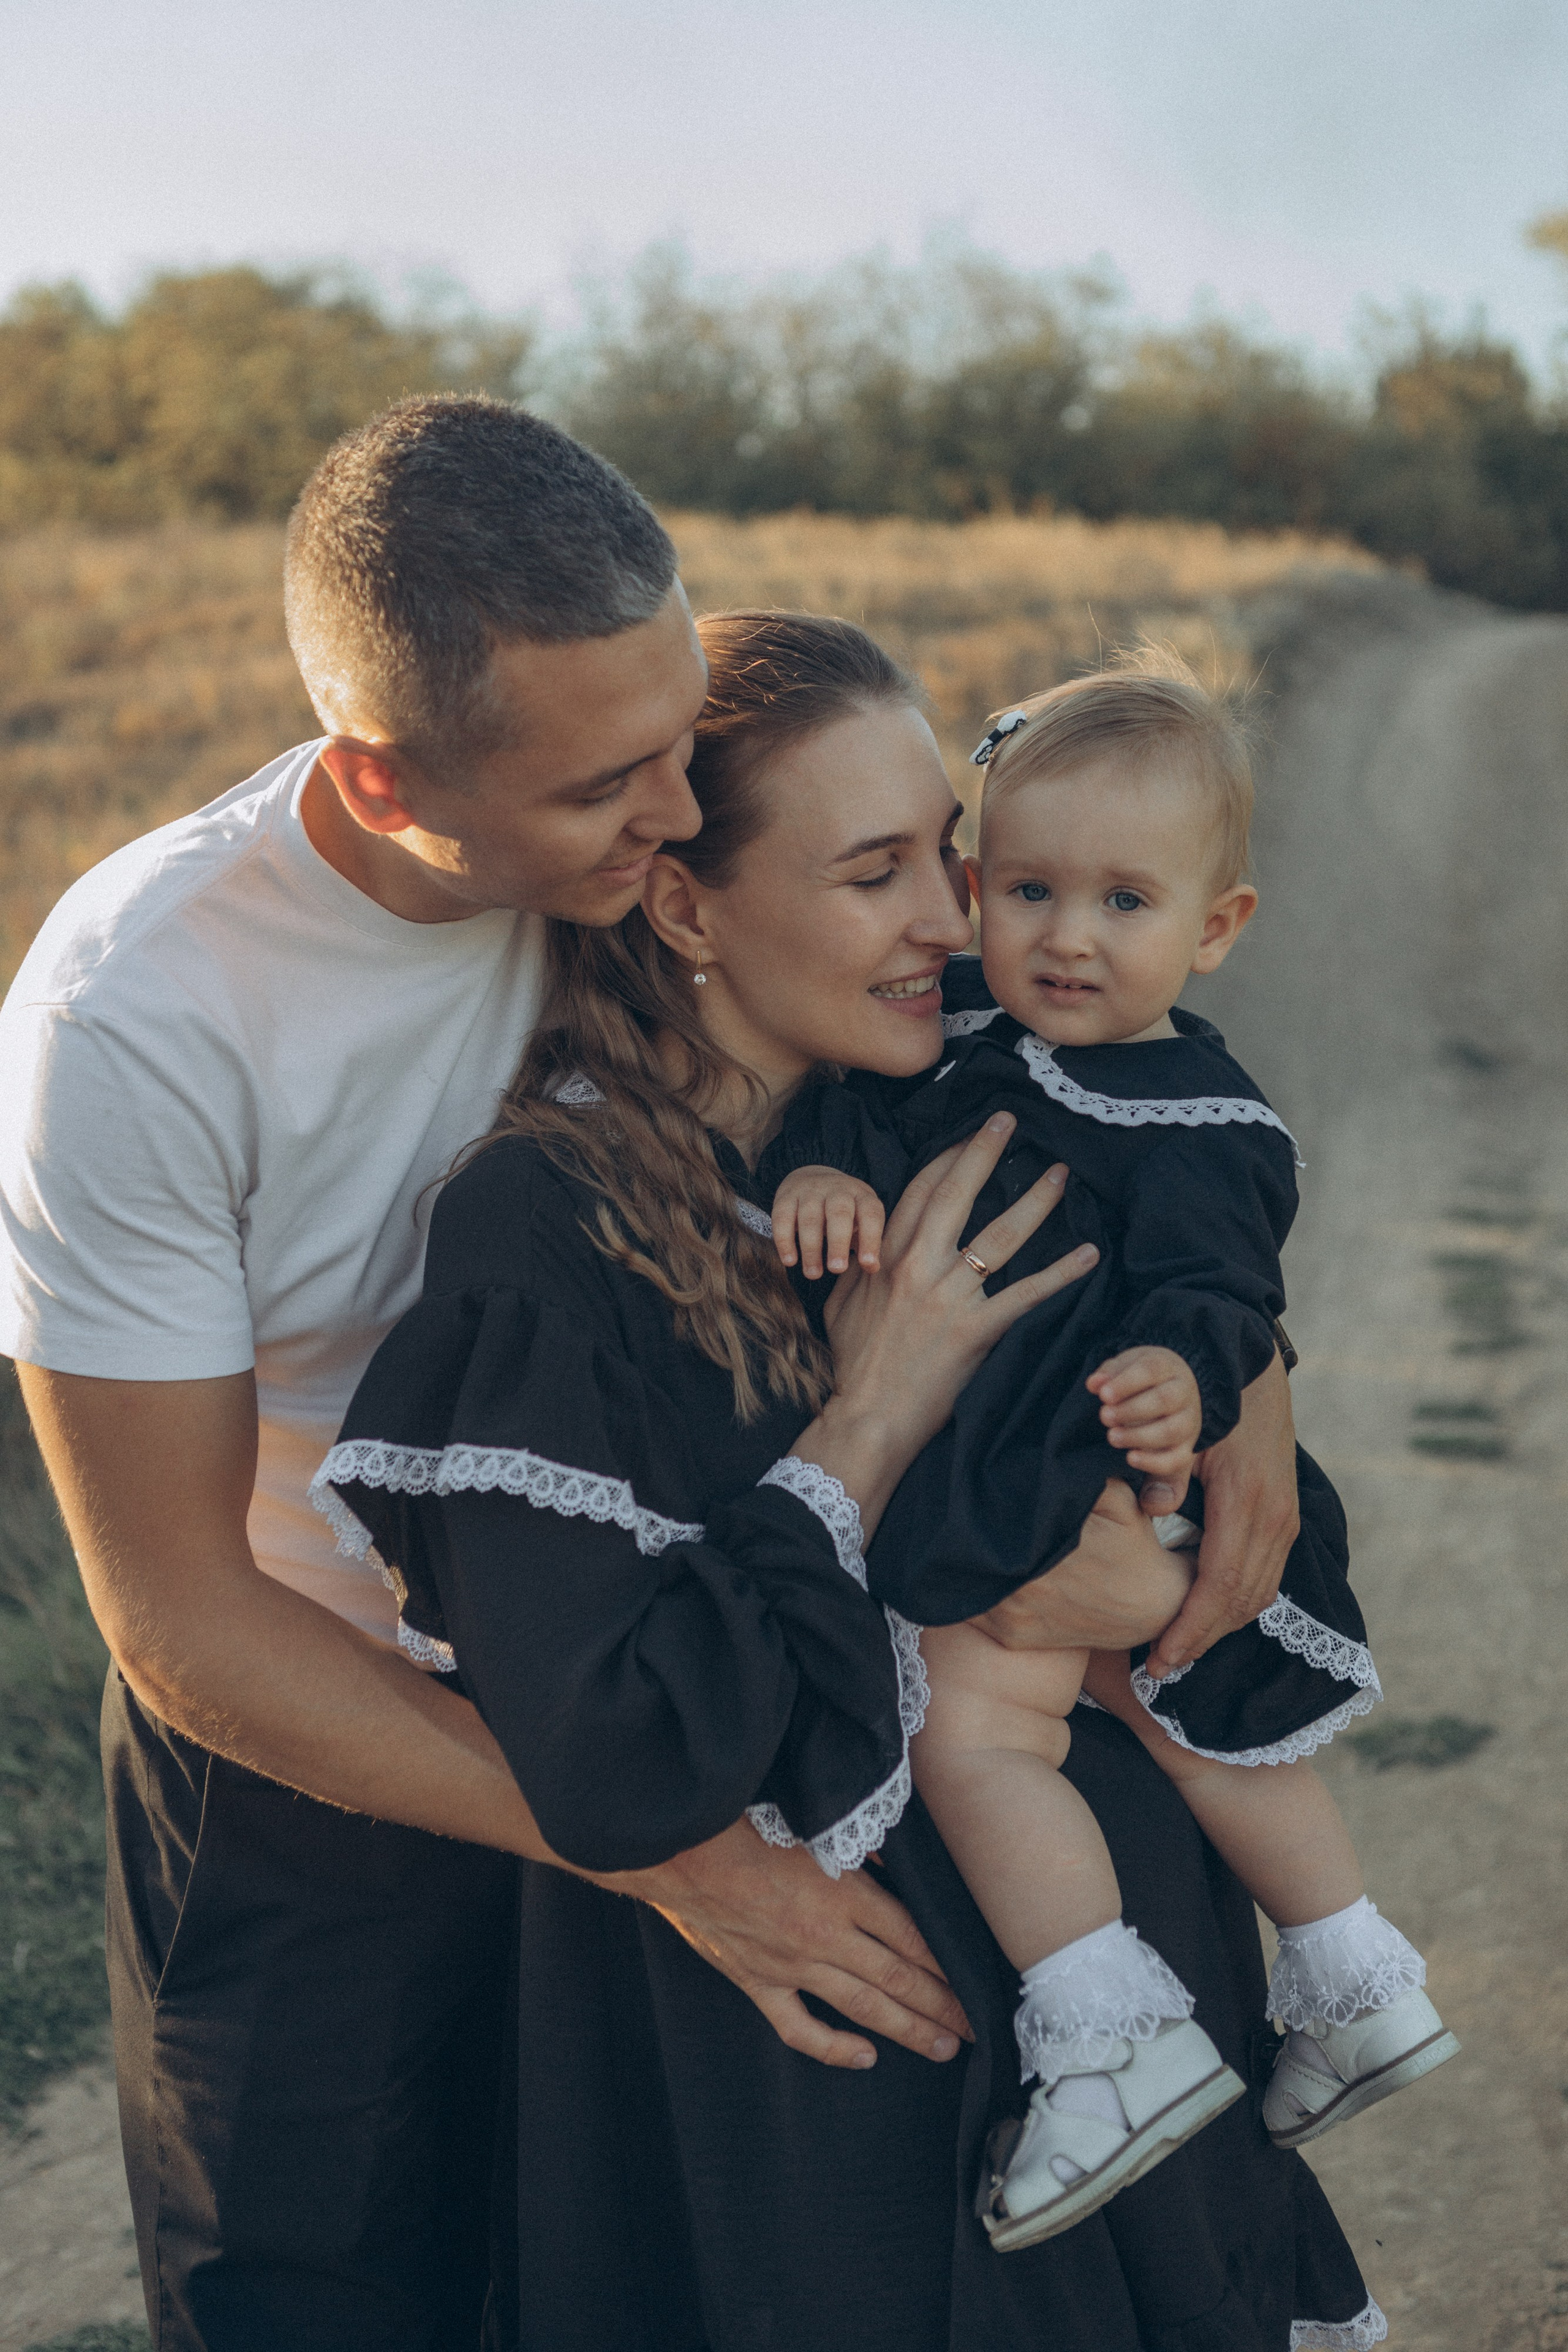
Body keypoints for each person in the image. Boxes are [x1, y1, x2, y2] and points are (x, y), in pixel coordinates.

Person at [0, 400, 990, 2350]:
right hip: (320, 1770)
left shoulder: (631, 864)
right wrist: (670, 1857)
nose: (679, 816)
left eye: (680, 735)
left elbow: (1002, 1002)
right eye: (610, 784)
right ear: (382, 784)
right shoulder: (137, 1024)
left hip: (649, 1675)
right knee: (329, 2302)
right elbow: (178, 1617)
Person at [316, 611, 1383, 2350]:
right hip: (817, 2091)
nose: (957, 923)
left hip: (1129, 2000)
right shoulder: (547, 1233)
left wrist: (1223, 1436)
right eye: (878, 873)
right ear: (685, 907)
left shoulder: (982, 1092)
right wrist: (871, 1422)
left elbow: (1204, 1468)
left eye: (949, 860)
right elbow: (613, 1746)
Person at [769, 650, 1458, 2248]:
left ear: (1217, 931)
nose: (1068, 937)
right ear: (972, 888)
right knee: (1179, 1700)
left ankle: (1108, 2031)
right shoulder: (950, 1032)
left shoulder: (1204, 1119)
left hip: (1061, 1469)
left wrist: (1180, 1368)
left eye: (1125, 904)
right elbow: (838, 1119)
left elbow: (1229, 1294)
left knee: (978, 1734)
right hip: (1022, 1457)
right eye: (1030, 888)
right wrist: (822, 1183)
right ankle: (1353, 1972)